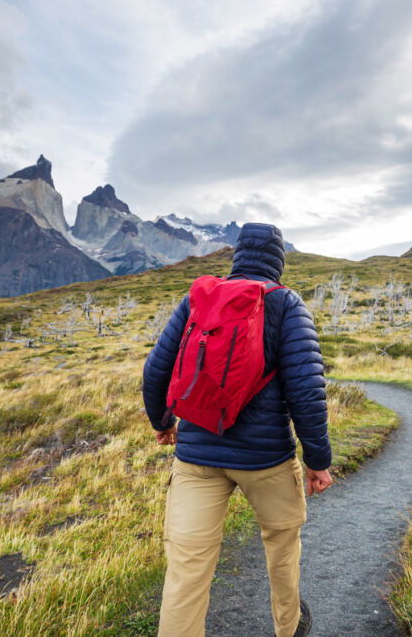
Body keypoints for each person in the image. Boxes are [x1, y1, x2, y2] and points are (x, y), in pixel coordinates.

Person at [143, 222, 333, 637]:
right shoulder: (287, 305)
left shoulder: (198, 300)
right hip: (266, 460)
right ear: (278, 260)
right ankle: (290, 627)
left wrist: (162, 423)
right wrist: (318, 462)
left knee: (187, 570)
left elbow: (156, 369)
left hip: (196, 457)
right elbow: (307, 392)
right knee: (281, 549)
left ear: (237, 257)